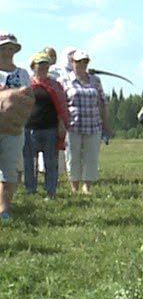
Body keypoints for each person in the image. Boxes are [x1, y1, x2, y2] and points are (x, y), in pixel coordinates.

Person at [62, 49, 110, 194]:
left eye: (85, 61)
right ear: (72, 62)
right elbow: (61, 103)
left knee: (91, 156)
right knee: (72, 156)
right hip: (73, 125)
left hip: (94, 124)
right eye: (78, 62)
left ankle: (87, 186)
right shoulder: (64, 80)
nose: (82, 64)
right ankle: (74, 186)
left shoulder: (95, 80)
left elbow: (102, 102)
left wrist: (106, 124)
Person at [23, 51, 68, 199]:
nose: (43, 67)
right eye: (39, 64)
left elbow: (61, 107)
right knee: (29, 162)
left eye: (45, 64)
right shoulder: (27, 84)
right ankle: (30, 190)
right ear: (33, 67)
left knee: (51, 162)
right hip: (30, 129)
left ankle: (51, 192)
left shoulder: (55, 85)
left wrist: (62, 124)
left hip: (50, 129)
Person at [0, 33, 33, 221]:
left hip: (13, 128)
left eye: (11, 48)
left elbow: (30, 98)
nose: (8, 52)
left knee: (9, 168)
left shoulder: (22, 74)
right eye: (4, 48)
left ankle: (4, 210)